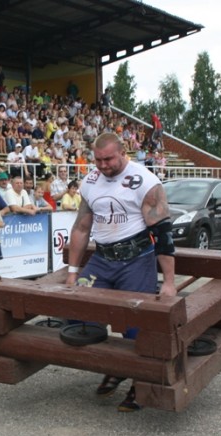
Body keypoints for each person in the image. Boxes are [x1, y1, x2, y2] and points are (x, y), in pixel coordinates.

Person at [65, 133, 176, 413]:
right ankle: (117, 365)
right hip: (102, 258)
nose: (102, 165)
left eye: (108, 159)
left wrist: (170, 283)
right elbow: (81, 228)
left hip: (136, 259)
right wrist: (72, 271)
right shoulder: (90, 181)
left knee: (136, 325)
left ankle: (141, 384)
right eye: (98, 159)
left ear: (123, 152)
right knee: (76, 308)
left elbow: (163, 234)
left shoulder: (146, 181)